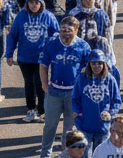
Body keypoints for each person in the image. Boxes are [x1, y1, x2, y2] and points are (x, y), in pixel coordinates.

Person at [39, 15, 91, 157]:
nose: (65, 32)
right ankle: (45, 154)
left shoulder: (83, 46)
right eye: (63, 30)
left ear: (76, 29)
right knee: (50, 125)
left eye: (69, 30)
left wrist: (83, 92)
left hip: (73, 93)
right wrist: (44, 83)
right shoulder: (51, 43)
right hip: (54, 91)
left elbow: (89, 71)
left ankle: (66, 155)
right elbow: (43, 65)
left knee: (70, 129)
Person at [7, 0, 60, 124]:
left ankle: (43, 110)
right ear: (27, 3)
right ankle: (31, 109)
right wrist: (9, 54)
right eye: (31, 2)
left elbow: (56, 35)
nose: (34, 5)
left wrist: (55, 53)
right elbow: (13, 35)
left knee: (41, 83)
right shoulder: (21, 16)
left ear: (41, 3)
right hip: (25, 57)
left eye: (36, 3)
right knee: (29, 83)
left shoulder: (48, 16)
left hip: (42, 58)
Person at [72, 50, 122, 158]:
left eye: (99, 63)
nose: (96, 66)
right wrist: (79, 113)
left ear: (104, 64)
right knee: (85, 155)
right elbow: (75, 98)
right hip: (85, 126)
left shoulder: (110, 80)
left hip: (103, 127)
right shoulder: (82, 79)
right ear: (89, 64)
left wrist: (111, 115)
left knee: (101, 155)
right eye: (93, 63)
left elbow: (117, 100)